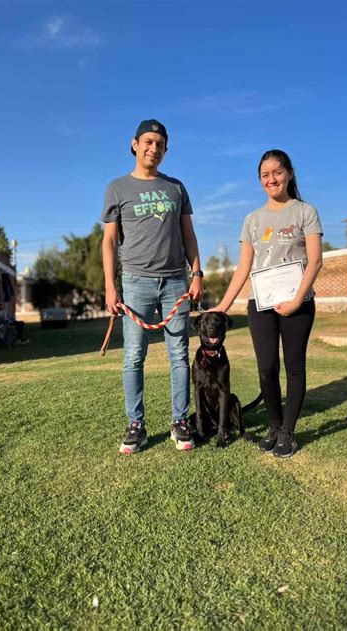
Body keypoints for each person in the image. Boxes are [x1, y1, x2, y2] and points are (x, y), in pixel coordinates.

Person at [211, 149, 323, 458]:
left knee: (294, 367)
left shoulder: (305, 211)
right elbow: (243, 268)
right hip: (260, 305)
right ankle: (275, 425)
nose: (271, 179)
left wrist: (296, 300)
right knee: (266, 368)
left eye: (276, 172)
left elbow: (315, 262)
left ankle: (288, 432)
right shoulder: (252, 220)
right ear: (259, 180)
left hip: (298, 304)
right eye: (264, 175)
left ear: (289, 173)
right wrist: (221, 306)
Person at [101, 119, 204, 454]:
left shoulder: (176, 188)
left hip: (175, 280)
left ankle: (180, 421)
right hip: (135, 283)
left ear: (165, 149)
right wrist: (110, 287)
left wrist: (197, 272)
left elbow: (188, 234)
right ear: (134, 144)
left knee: (178, 354)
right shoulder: (117, 188)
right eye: (148, 142)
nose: (153, 148)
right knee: (133, 356)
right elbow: (109, 241)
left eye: (160, 144)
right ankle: (136, 425)